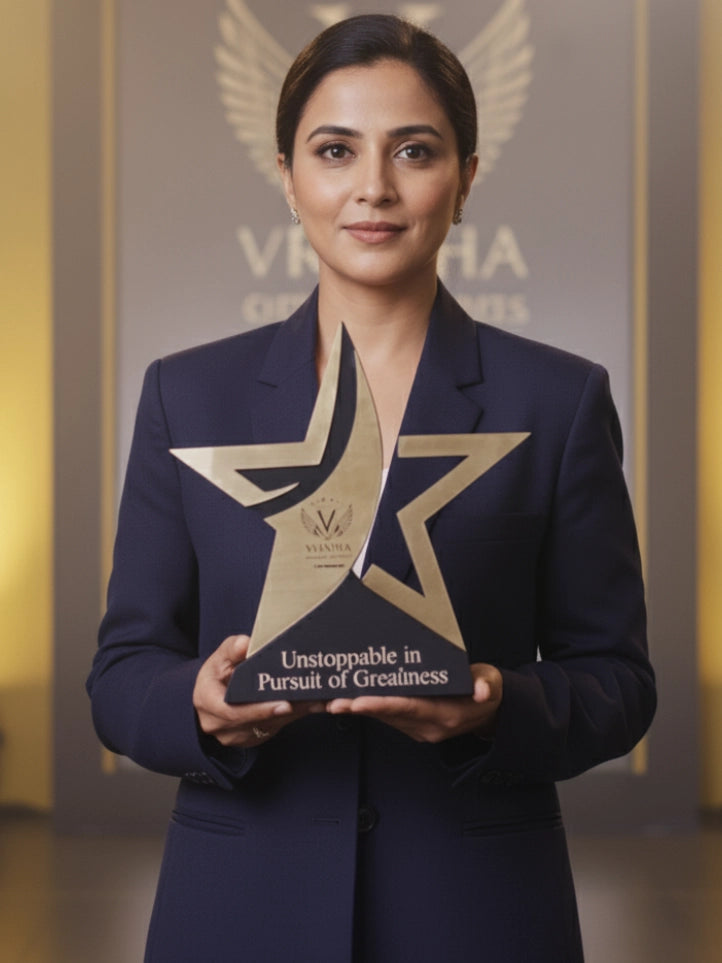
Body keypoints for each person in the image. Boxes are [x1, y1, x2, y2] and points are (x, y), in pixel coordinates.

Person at [87, 14, 656, 962]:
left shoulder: (560, 400)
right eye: (336, 150)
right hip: (237, 909)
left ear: (466, 177)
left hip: (478, 913)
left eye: (415, 151)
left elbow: (620, 681)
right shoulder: (185, 396)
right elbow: (119, 674)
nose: (373, 189)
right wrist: (199, 701)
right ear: (289, 174)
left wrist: (496, 705)